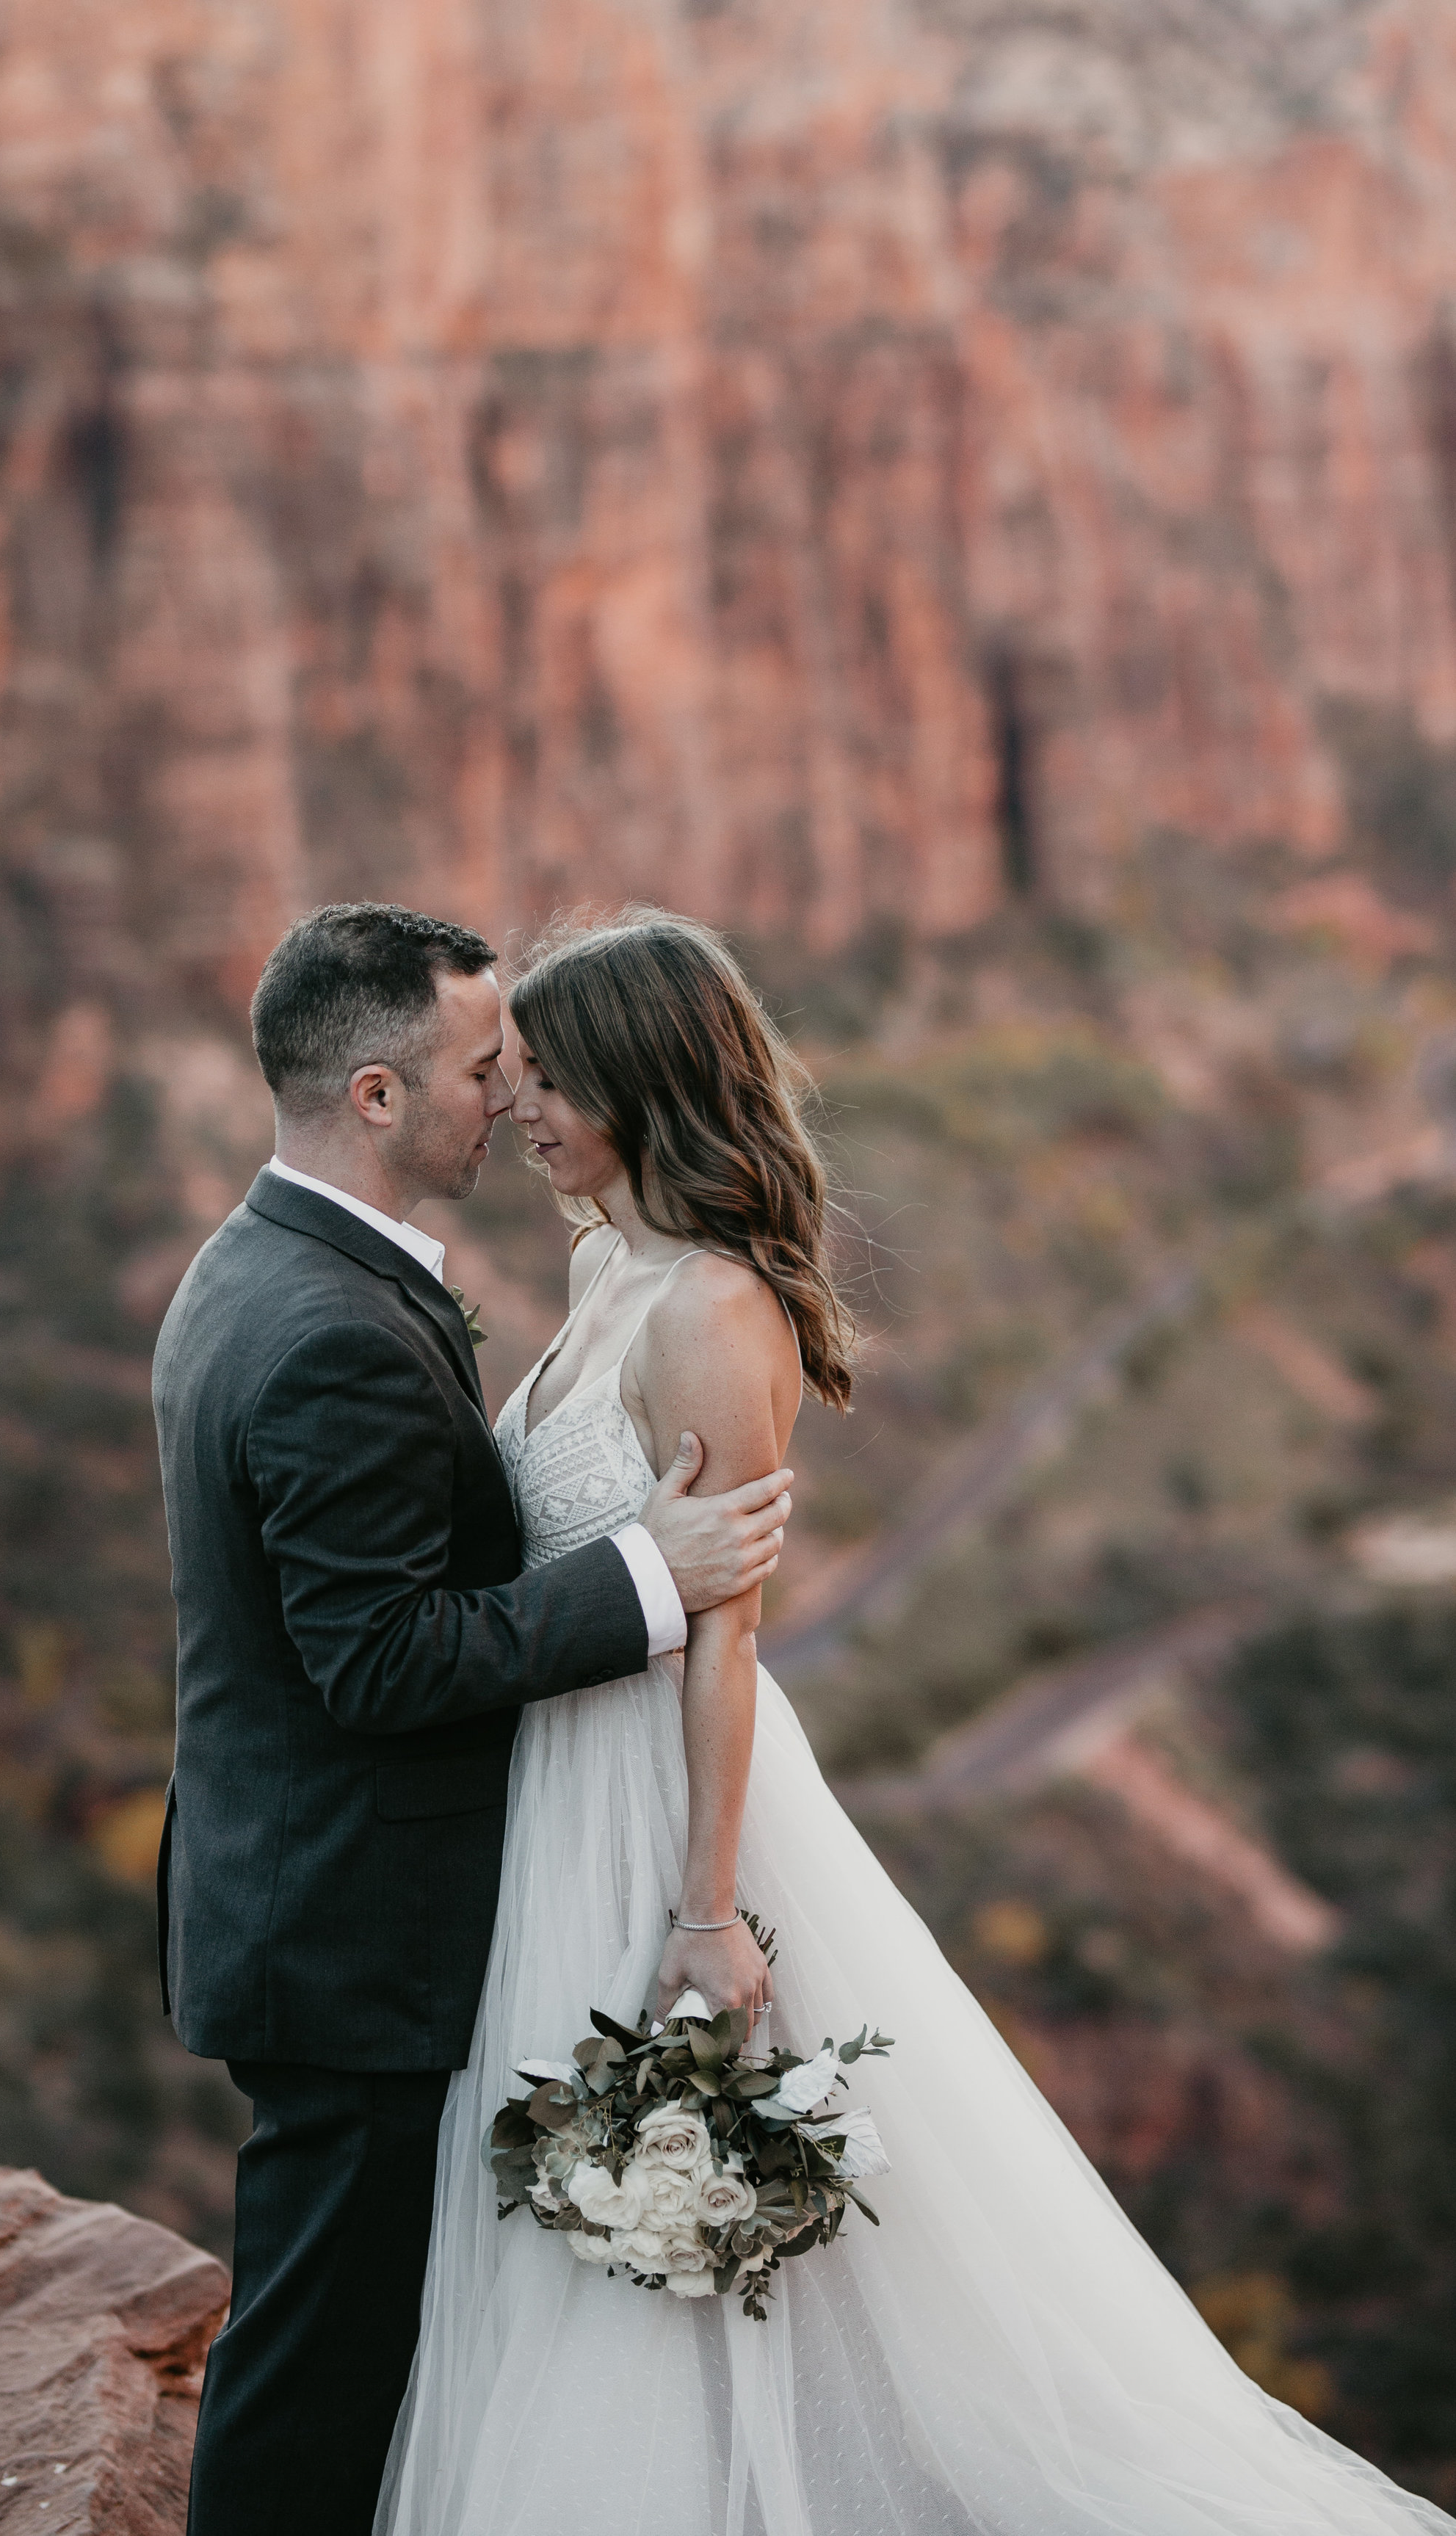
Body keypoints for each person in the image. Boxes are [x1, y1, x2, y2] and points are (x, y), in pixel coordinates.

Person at [377, 907, 1455, 2536]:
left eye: (544, 1083)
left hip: (662, 1797)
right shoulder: (604, 1261)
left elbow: (724, 1643)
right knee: (566, 2215)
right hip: (547, 1788)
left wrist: (705, 1910)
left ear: (641, 1081)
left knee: (677, 2202)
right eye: (511, 1079)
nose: (517, 1111)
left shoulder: (711, 1312)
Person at [152, 902, 797, 2536]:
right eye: (480, 1064)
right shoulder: (327, 1331)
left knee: (363, 2339)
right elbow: (373, 1661)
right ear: (377, 1096)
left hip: (369, 1897)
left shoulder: (266, 1267)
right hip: (351, 1928)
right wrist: (644, 1575)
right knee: (319, 2367)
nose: (506, 1094)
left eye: (531, 1067)